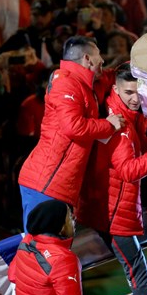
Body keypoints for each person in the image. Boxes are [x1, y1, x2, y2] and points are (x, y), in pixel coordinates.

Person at [78, 63, 147, 295]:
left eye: (140, 92)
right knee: (137, 272)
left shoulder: (126, 112)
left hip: (115, 193)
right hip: (108, 209)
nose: (136, 98)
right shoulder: (120, 125)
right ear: (116, 90)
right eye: (129, 93)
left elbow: (136, 145)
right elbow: (128, 170)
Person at [18, 36, 125, 229]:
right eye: (99, 55)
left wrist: (141, 64)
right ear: (87, 59)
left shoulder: (85, 84)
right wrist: (109, 125)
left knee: (49, 247)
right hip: (46, 183)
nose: (102, 60)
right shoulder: (65, 82)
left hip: (59, 184)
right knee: (40, 248)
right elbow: (73, 127)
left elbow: (111, 76)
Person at [8, 200, 82, 295]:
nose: (74, 217)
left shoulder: (28, 239)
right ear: (60, 227)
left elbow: (12, 275)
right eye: (69, 216)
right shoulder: (63, 259)